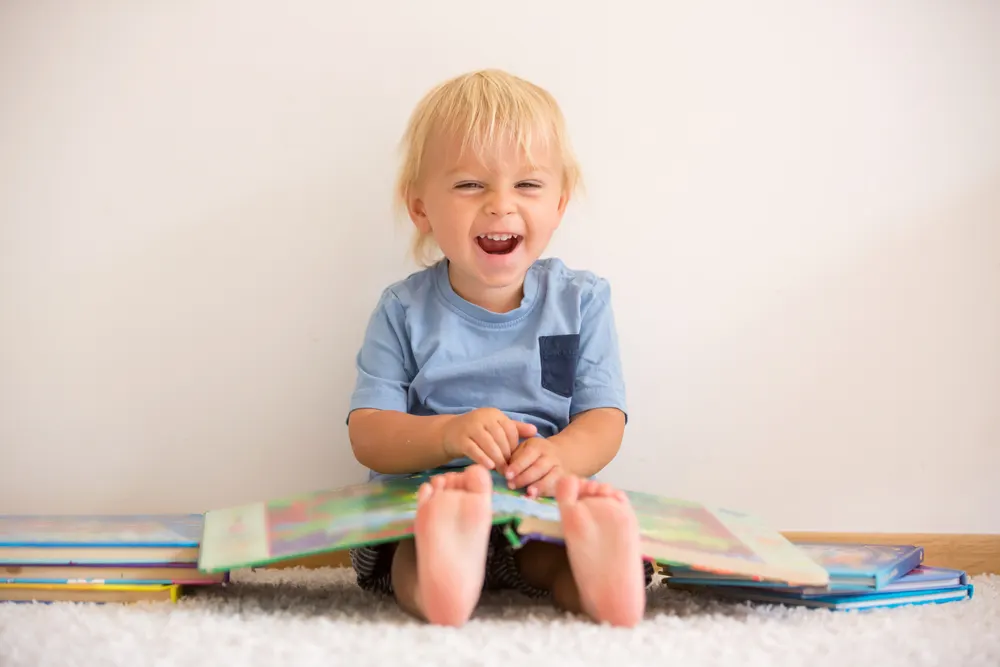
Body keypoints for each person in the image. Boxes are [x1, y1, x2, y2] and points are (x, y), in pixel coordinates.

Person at [345, 68, 651, 628]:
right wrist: (444, 434)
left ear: (559, 204)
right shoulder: (404, 309)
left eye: (528, 185)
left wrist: (563, 457)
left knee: (551, 552)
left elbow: (604, 417)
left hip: (533, 502)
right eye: (469, 185)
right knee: (410, 550)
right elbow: (369, 432)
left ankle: (601, 582)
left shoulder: (580, 301)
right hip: (427, 502)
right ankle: (441, 580)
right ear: (421, 208)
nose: (500, 205)